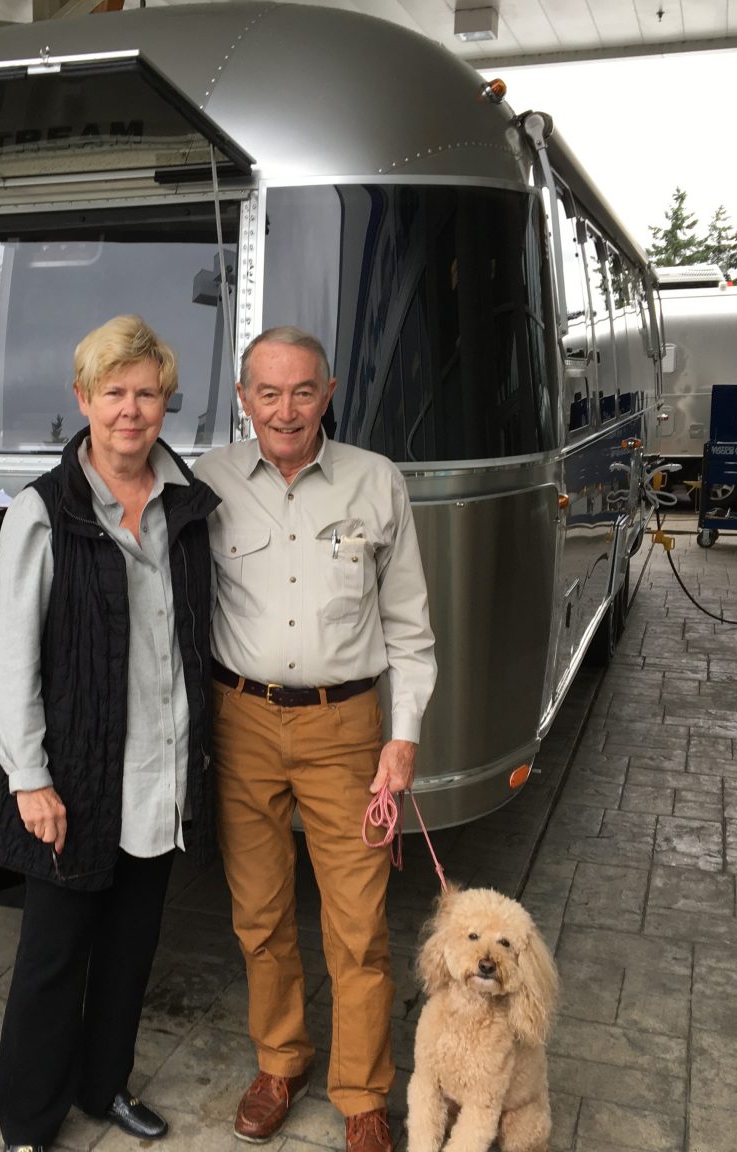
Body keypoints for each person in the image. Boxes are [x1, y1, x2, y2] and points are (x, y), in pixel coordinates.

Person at [0, 315, 220, 1152]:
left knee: (130, 949)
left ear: (166, 402)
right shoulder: (43, 513)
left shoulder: (186, 504)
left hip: (159, 772)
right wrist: (29, 778)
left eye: (146, 393)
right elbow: (13, 662)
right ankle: (27, 1125)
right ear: (83, 399)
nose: (130, 410)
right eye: (114, 392)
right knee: (53, 959)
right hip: (73, 777)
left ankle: (104, 1083)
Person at [193, 326, 436, 1152]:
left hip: (345, 728)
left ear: (329, 394)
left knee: (359, 925)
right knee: (259, 915)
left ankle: (363, 1093)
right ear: (243, 399)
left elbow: (410, 628)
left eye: (303, 391)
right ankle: (280, 1061)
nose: (286, 410)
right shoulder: (208, 481)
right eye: (268, 392)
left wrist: (403, 737)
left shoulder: (376, 481)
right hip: (241, 721)